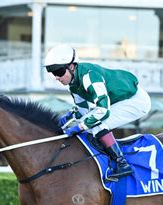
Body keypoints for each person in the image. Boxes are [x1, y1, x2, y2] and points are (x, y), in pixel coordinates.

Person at [44, 44, 151, 178]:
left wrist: (79, 127)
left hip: (136, 100)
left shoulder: (90, 77)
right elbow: (82, 111)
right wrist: (68, 118)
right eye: (53, 73)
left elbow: (102, 111)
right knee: (89, 124)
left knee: (97, 124)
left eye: (59, 72)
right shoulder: (73, 85)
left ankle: (122, 164)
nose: (57, 77)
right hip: (120, 101)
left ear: (71, 66)